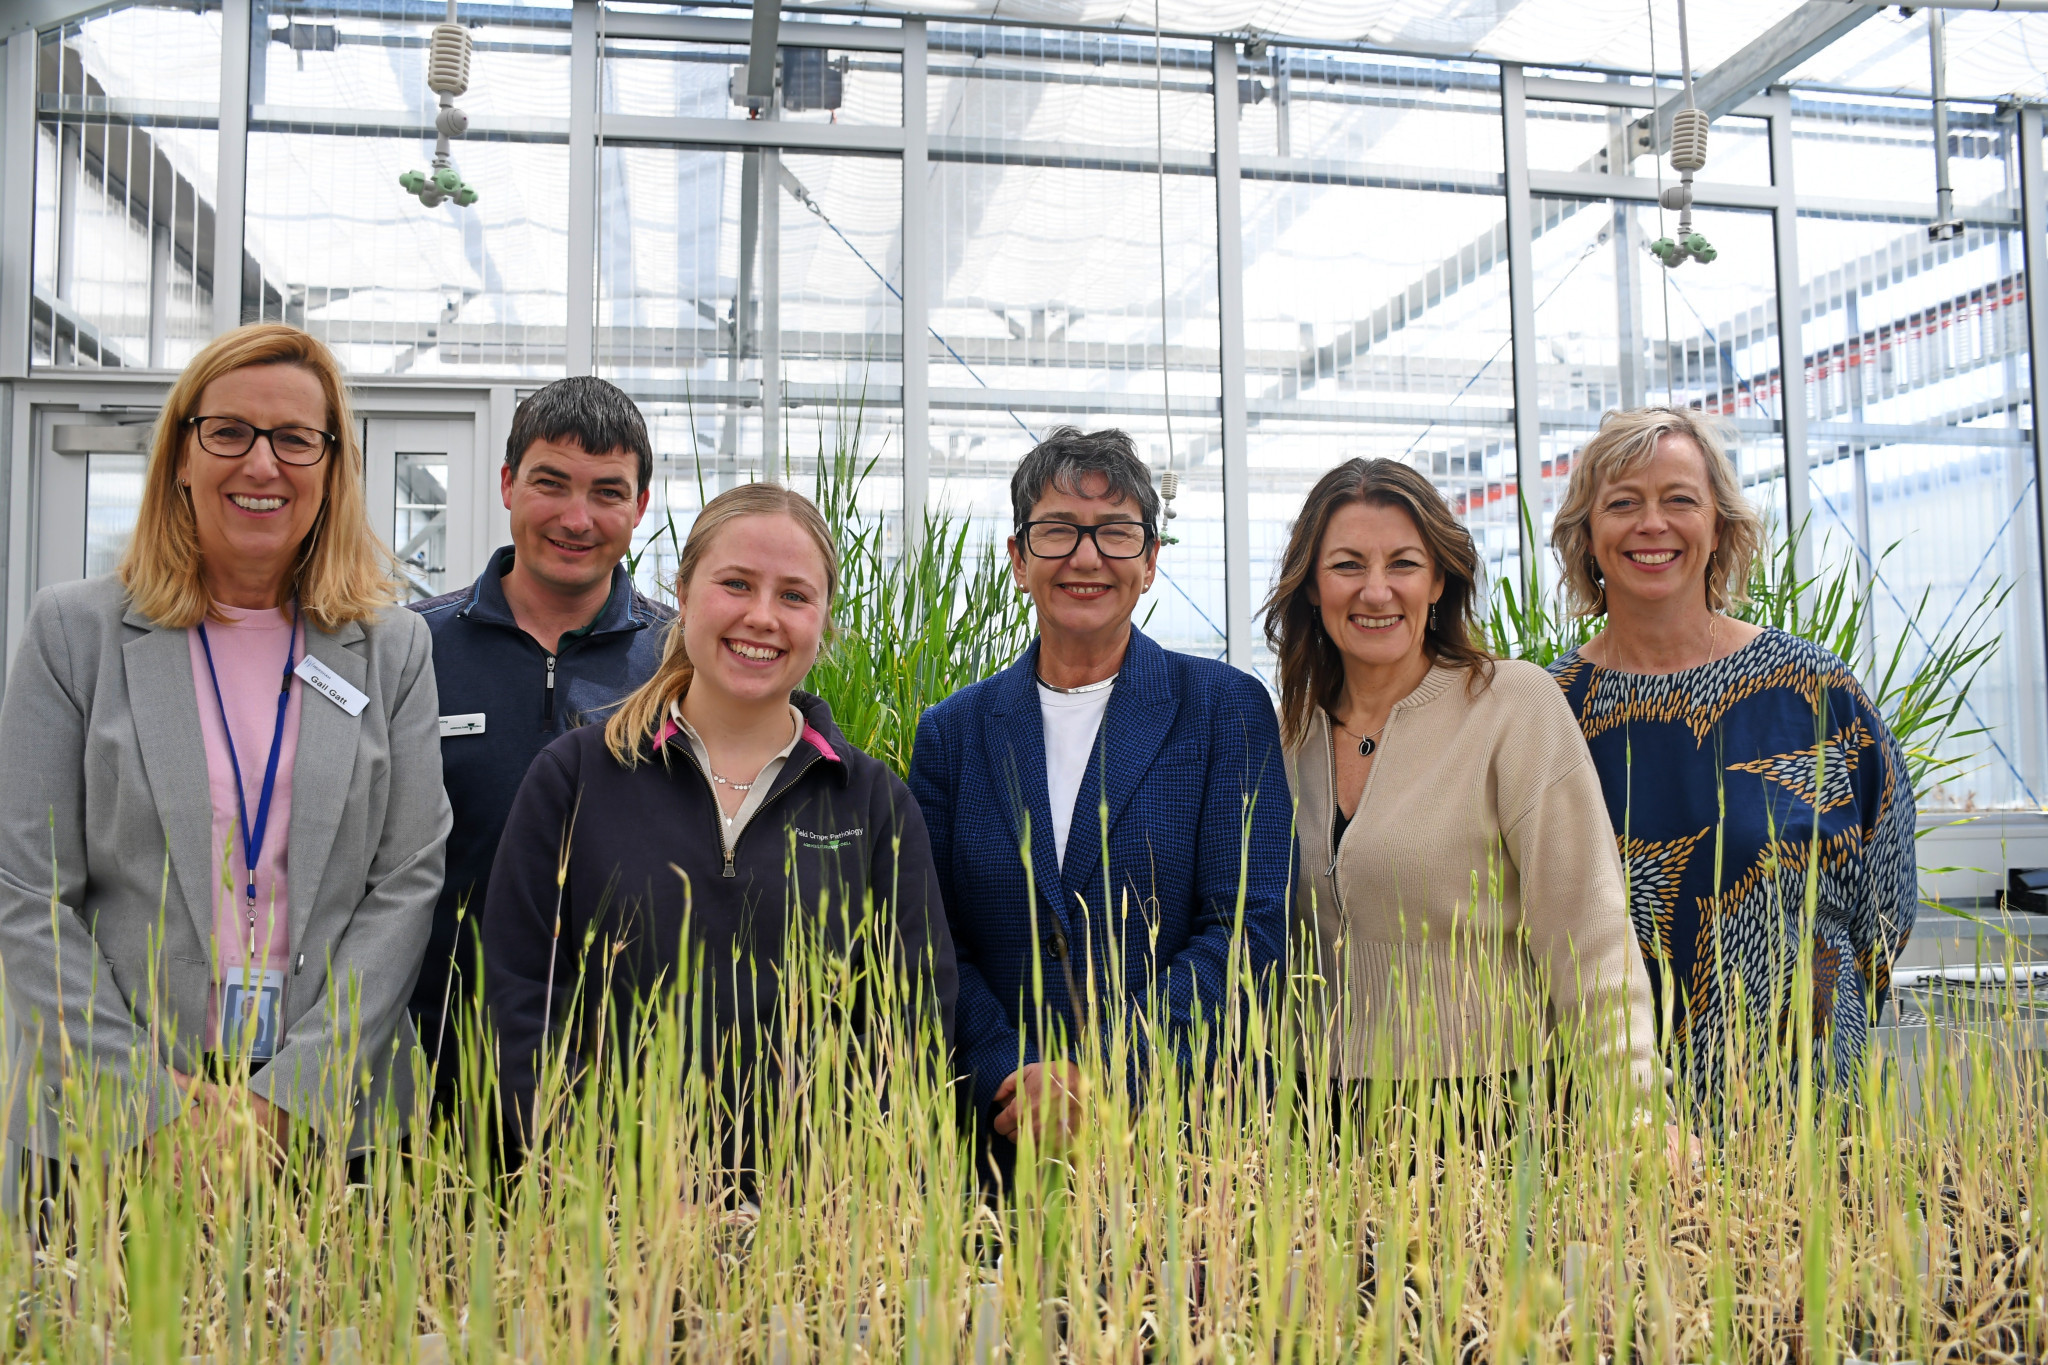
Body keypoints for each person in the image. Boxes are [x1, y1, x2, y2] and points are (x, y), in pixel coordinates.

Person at [0, 323, 450, 1157]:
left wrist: (290, 1101)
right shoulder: (74, 634)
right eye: (230, 431)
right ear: (180, 452)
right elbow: (27, 892)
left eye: (294, 439)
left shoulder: (391, 649)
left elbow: (407, 883)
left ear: (332, 466)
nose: (262, 464)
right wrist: (150, 1105)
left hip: (329, 1122)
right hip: (108, 1122)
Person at [482, 483, 956, 1164]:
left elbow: (912, 1024)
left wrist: (820, 1195)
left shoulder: (871, 803)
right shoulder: (576, 777)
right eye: (736, 583)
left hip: (810, 1231)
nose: (762, 616)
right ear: (683, 589)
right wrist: (604, 1182)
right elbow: (517, 998)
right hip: (601, 1225)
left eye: (794, 595)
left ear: (824, 618)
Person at [908, 426, 1292, 1167]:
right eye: (1057, 531)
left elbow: (1247, 926)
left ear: (1149, 563)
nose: (1086, 557)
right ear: (1019, 560)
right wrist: (1010, 1071)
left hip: (1185, 1145)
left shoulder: (1224, 710)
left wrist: (1107, 1075)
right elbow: (932, 942)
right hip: (1001, 1146)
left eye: (1115, 533)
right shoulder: (952, 733)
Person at [1547, 407, 1916, 1114]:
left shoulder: (1812, 689)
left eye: (1679, 499)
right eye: (1623, 503)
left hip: (1801, 1112)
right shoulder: (1550, 711)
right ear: (1587, 537)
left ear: (1719, 526)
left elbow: (1886, 901)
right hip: (1612, 1122)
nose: (1652, 523)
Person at [1264, 457, 1656, 1121]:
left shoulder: (1511, 704)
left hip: (1491, 1107)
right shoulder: (1287, 735)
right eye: (1348, 565)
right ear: (1311, 586)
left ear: (1440, 580)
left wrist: (1636, 1109)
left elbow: (1588, 927)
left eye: (1404, 564)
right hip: (1314, 1115)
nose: (1377, 591)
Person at [409, 377, 672, 1113]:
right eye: (550, 483)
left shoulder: (679, 662)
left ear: (641, 506)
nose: (576, 517)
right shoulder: (411, 649)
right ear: (506, 483)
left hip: (621, 1079)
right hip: (431, 1064)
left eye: (608, 492)